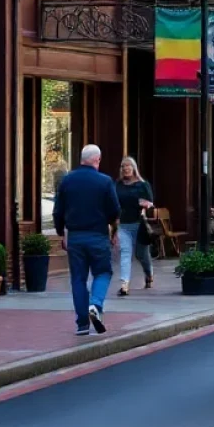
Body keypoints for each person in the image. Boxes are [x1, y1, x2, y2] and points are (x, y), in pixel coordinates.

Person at [53, 144, 120, 336]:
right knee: (103, 272)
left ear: (81, 159)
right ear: (97, 160)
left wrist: (61, 233)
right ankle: (96, 305)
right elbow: (115, 210)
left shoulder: (67, 181)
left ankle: (82, 323)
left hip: (75, 237)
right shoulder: (105, 181)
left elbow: (58, 211)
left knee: (78, 279)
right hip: (98, 235)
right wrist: (112, 229)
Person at [115, 156, 154, 296]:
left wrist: (146, 205)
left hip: (139, 224)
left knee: (142, 255)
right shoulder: (118, 185)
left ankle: (148, 274)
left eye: (128, 166)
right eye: (123, 166)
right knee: (125, 253)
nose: (126, 169)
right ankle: (124, 284)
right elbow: (114, 203)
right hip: (124, 225)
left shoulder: (143, 185)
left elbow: (151, 203)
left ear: (134, 168)